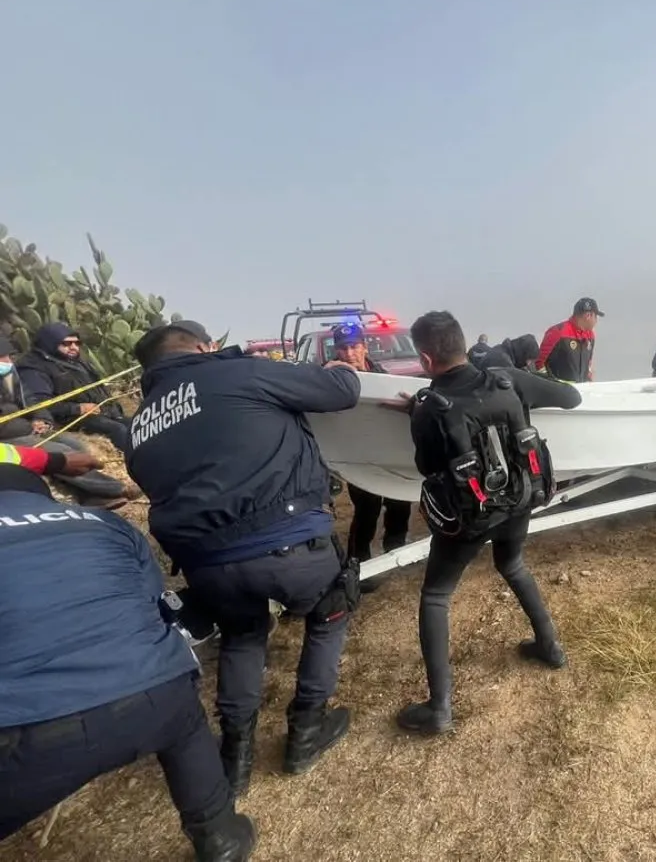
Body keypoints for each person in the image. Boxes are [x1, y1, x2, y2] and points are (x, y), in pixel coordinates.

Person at [124, 319, 362, 797]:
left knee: (242, 636)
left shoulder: (139, 426)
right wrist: (343, 367)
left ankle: (235, 760)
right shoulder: (238, 373)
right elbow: (340, 391)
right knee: (331, 611)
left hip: (209, 567)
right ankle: (305, 734)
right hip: (290, 543)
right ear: (203, 346)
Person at [0, 462, 257, 861]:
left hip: (26, 731)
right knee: (186, 723)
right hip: (154, 691)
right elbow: (154, 603)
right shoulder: (103, 523)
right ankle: (219, 834)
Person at [388, 310, 581, 735]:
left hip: (471, 518)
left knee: (436, 595)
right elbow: (573, 400)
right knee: (512, 565)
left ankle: (440, 708)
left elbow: (428, 467)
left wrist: (417, 412)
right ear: (460, 343)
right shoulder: (508, 378)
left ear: (424, 358)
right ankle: (550, 648)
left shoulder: (428, 408)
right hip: (520, 501)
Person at [1, 335, 133, 507]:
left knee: (76, 445)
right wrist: (25, 426)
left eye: (10, 356)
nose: (8, 362)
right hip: (9, 435)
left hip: (27, 427)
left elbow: (30, 400)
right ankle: (116, 489)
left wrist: (41, 418)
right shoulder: (34, 368)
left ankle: (90, 497)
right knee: (61, 452)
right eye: (2, 357)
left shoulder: (9, 377)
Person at [330, 324, 411, 582]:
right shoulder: (330, 378)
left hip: (388, 450)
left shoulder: (382, 375)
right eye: (343, 348)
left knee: (399, 500)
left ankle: (396, 546)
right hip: (358, 454)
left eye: (354, 346)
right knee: (366, 508)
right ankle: (359, 560)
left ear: (364, 347)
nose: (349, 353)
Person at [15, 323, 133, 453]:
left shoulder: (77, 361)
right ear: (50, 343)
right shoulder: (33, 367)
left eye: (77, 343)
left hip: (101, 412)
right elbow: (39, 404)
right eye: (66, 344)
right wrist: (78, 409)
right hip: (68, 418)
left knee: (135, 424)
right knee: (117, 429)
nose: (74, 347)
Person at [536, 297, 603, 382]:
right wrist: (550, 385)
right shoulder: (558, 332)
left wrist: (589, 381)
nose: (596, 321)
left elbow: (588, 364)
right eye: (595, 316)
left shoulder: (590, 335)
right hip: (559, 391)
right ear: (588, 316)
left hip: (582, 390)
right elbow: (539, 363)